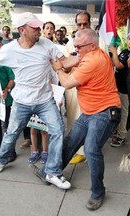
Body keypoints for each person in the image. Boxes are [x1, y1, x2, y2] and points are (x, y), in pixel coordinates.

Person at [0, 12, 79, 189]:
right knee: (11, 134)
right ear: (22, 30)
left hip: (45, 100)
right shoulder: (9, 49)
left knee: (58, 129)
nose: (39, 31)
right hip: (21, 102)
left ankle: (53, 171)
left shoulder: (46, 44)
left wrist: (84, 55)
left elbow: (65, 61)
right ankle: (1, 159)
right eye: (35, 28)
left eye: (39, 27)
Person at [43, 28, 121, 210]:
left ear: (92, 45)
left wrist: (58, 69)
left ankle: (98, 192)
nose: (76, 48)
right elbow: (73, 59)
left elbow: (68, 83)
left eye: (79, 46)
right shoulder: (90, 52)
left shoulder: (93, 60)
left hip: (104, 112)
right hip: (90, 111)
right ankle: (51, 172)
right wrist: (58, 59)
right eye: (75, 44)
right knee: (71, 142)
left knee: (92, 149)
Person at [63, 11, 91, 164]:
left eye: (84, 24)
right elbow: (66, 66)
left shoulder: (98, 41)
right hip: (73, 87)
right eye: (79, 24)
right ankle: (77, 150)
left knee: (90, 119)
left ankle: (88, 149)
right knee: (74, 117)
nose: (82, 27)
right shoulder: (70, 43)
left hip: (92, 87)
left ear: (89, 24)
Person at [108, 33, 130, 147]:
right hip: (117, 87)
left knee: (124, 113)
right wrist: (113, 53)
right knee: (117, 112)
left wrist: (114, 52)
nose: (129, 41)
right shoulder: (125, 51)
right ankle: (117, 131)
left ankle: (121, 136)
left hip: (125, 89)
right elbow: (113, 63)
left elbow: (119, 65)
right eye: (129, 38)